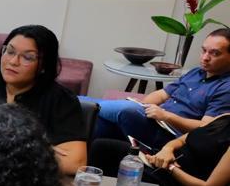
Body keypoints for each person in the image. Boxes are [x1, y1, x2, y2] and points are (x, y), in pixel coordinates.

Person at [0, 24, 86, 175]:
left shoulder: (61, 101)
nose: (13, 61)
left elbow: (76, 163)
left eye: (27, 57)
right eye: (9, 51)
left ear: (43, 65)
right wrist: (34, 150)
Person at [84, 29, 230, 148]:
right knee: (97, 123)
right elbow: (161, 94)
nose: (205, 57)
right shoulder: (195, 73)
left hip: (170, 136)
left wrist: (166, 116)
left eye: (215, 53)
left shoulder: (226, 88)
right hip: (156, 122)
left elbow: (206, 128)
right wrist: (144, 105)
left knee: (125, 109)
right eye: (203, 50)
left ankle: (74, 102)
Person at [90, 114, 230, 186]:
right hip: (160, 163)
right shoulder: (224, 117)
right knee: (102, 146)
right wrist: (167, 150)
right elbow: (182, 140)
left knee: (124, 169)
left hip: (178, 185)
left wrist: (170, 167)